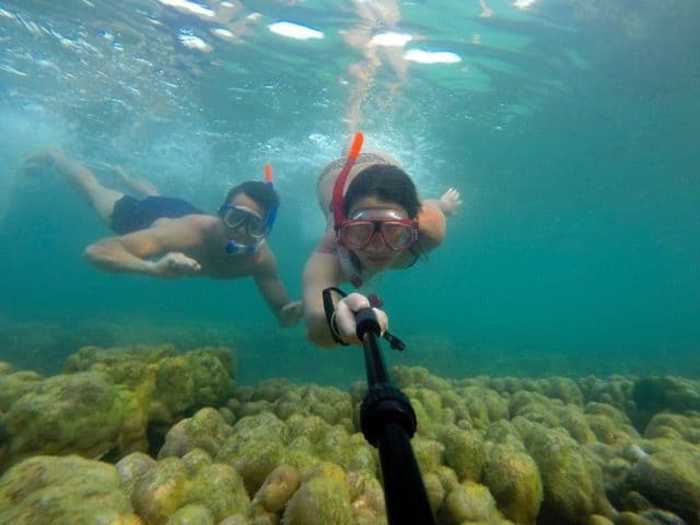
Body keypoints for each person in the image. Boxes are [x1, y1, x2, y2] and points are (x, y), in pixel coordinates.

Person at [23, 148, 302, 327]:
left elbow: (282, 311)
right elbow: (96, 250)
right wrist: (151, 268)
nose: (241, 231)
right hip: (143, 217)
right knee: (92, 189)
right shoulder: (187, 236)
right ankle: (55, 155)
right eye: (234, 218)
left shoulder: (260, 260)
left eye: (253, 225)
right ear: (220, 213)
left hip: (177, 211)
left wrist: (292, 311)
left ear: (265, 232)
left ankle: (132, 178)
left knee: (158, 197)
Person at [302, 133, 461, 346]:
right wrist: (335, 321)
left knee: (437, 207)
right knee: (350, 140)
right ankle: (350, 137)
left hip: (381, 162)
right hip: (333, 174)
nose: (377, 247)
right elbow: (316, 325)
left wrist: (444, 206)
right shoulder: (332, 247)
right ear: (343, 227)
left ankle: (352, 135)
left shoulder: (428, 231)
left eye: (393, 230)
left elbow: (433, 208)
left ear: (412, 227)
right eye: (361, 230)